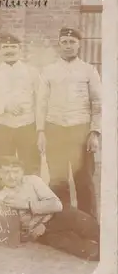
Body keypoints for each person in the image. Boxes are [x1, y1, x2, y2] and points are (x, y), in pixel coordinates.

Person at [36, 27, 101, 218]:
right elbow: (41, 104)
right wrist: (41, 131)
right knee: (58, 179)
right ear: (59, 44)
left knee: (84, 179)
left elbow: (97, 102)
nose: (68, 46)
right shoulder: (48, 71)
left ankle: (88, 222)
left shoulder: (89, 70)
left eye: (72, 42)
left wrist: (94, 132)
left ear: (79, 44)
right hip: (55, 129)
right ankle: (63, 222)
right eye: (64, 42)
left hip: (80, 130)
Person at [0, 156, 99, 261]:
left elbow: (56, 205)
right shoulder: (0, 199)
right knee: (85, 250)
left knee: (91, 228)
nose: (11, 177)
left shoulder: (33, 181)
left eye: (16, 172)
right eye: (6, 172)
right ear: (0, 173)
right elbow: (12, 232)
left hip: (58, 215)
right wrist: (31, 233)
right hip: (42, 231)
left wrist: (27, 205)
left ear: (22, 172)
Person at [0, 32, 41, 176]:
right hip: (3, 128)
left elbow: (41, 101)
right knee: (5, 169)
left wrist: (40, 129)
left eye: (13, 46)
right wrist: (4, 107)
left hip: (28, 127)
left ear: (20, 50)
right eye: (5, 47)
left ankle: (30, 198)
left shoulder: (32, 73)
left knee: (31, 168)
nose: (9, 50)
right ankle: (7, 198)